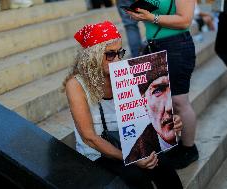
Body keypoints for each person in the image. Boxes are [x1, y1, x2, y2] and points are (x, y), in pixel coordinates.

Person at [63, 21, 183, 189]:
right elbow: (89, 137)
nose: (118, 59)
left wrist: (168, 121)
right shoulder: (76, 85)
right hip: (98, 153)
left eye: (120, 52)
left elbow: (144, 114)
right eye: (110, 54)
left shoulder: (126, 72)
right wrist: (130, 158)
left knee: (165, 168)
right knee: (137, 178)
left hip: (129, 142)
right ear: (92, 56)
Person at [125, 0, 199, 169]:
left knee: (179, 102)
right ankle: (174, 144)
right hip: (154, 46)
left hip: (176, 46)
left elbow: (185, 20)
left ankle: (189, 148)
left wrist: (151, 17)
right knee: (166, 102)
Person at [125, 52, 181, 164]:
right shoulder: (137, 153)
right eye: (158, 91)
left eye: (171, 89)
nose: (170, 106)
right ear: (143, 103)